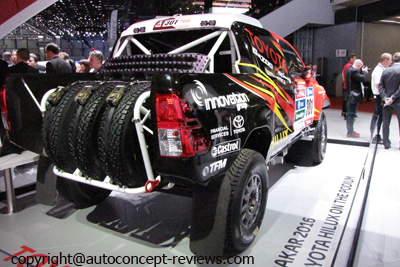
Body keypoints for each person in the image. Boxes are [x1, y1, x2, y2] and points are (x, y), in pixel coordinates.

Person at [378, 52, 400, 150]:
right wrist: (394, 97)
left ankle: (386, 143)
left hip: (386, 101)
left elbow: (381, 86)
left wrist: (385, 97)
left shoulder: (385, 71)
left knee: (386, 122)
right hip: (398, 101)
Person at [369, 53, 392, 143]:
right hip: (379, 96)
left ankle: (376, 134)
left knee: (379, 115)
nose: (391, 62)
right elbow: (378, 85)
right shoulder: (379, 71)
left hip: (380, 95)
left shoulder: (382, 69)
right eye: (390, 60)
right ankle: (375, 134)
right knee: (378, 116)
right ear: (385, 60)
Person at [345, 59, 369, 138]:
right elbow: (362, 78)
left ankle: (350, 130)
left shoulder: (349, 69)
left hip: (350, 94)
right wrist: (365, 72)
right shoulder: (354, 71)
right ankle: (350, 132)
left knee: (350, 114)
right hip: (353, 96)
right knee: (351, 114)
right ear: (359, 65)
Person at [342, 54, 357, 119]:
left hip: (346, 84)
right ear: (351, 58)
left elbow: (343, 73)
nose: (355, 60)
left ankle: (344, 111)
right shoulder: (350, 66)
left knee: (346, 99)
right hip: (349, 86)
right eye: (355, 58)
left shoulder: (346, 65)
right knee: (349, 100)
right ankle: (348, 113)